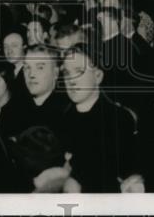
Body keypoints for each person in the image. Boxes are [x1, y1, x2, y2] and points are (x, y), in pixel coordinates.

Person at [59, 44, 141, 193]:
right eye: (66, 73)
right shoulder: (61, 118)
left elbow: (112, 173)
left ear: (98, 76)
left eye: (79, 71)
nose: (71, 80)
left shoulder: (118, 118)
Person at [18, 44, 69, 137]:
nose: (31, 74)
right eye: (27, 67)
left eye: (40, 67)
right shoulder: (18, 109)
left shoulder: (67, 114)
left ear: (55, 73)